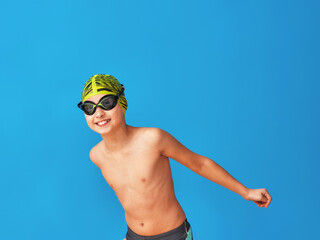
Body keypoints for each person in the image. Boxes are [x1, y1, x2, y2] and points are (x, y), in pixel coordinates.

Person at [77, 74, 272, 240]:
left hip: (173, 235)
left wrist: (246, 191)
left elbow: (200, 164)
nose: (99, 113)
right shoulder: (96, 155)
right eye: (89, 107)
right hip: (134, 235)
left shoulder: (152, 139)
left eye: (107, 103)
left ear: (122, 102)